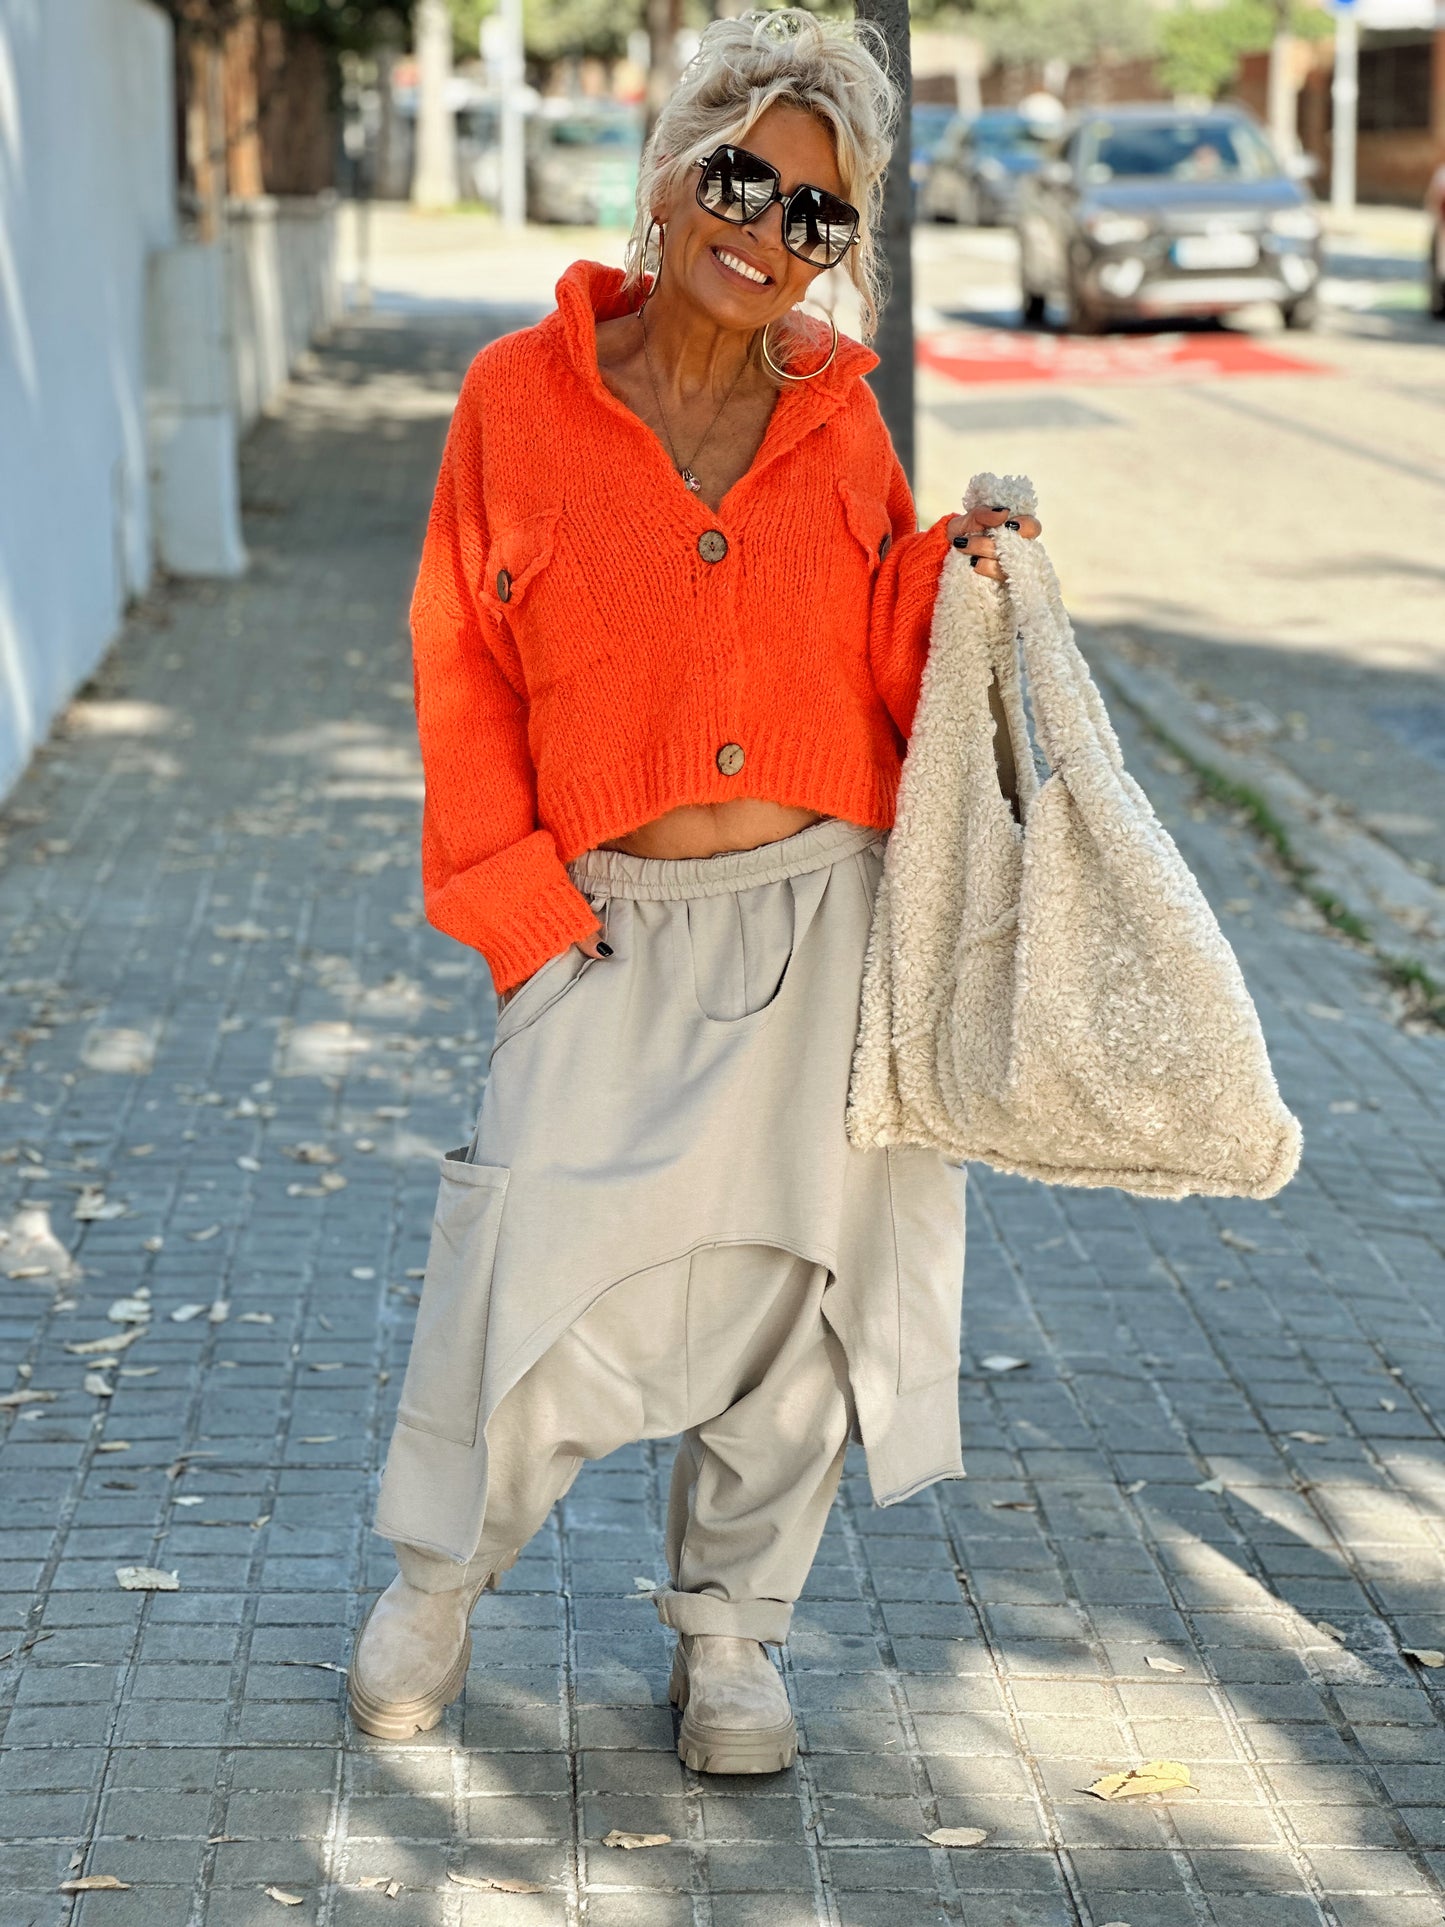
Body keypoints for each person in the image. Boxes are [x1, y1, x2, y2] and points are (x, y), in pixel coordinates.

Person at [348, 7, 1040, 1774]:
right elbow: (458, 671)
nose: (771, 233)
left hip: (828, 919)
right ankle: (441, 1581)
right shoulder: (519, 396)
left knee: (798, 1303)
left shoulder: (839, 416)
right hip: (602, 930)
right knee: (527, 1278)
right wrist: (515, 922)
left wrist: (961, 575)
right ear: (670, 177)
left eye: (817, 215)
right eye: (746, 181)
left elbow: (881, 643)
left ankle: (731, 1639)